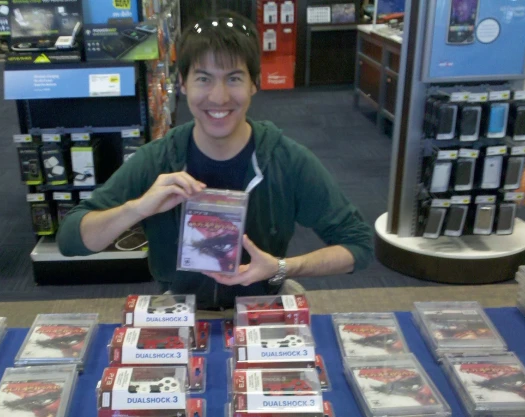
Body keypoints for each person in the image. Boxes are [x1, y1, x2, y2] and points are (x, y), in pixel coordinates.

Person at [57, 13, 373, 309]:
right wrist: (138, 208)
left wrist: (281, 267)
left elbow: (358, 246)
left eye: (234, 78)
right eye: (204, 79)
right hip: (180, 311)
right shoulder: (159, 160)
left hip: (261, 309)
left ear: (254, 84)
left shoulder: (286, 160)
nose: (219, 97)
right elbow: (71, 239)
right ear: (182, 84)